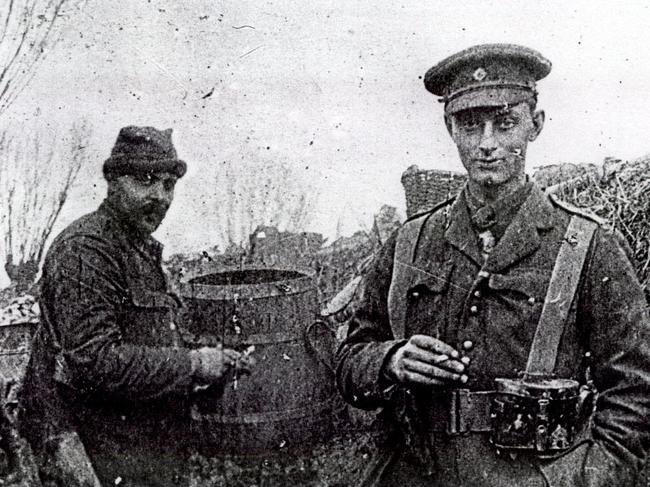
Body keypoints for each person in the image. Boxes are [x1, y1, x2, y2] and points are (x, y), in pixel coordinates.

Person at [336, 44, 650, 486]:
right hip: (416, 473)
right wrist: (391, 360)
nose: (488, 144)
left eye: (505, 124)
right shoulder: (409, 243)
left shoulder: (589, 247)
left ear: (534, 126)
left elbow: (635, 392)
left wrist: (588, 478)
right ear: (450, 129)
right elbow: (349, 357)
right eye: (469, 125)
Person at [21, 126, 252, 486]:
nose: (160, 196)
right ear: (112, 180)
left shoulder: (142, 253)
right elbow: (93, 361)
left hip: (145, 452)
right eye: (146, 180)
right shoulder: (86, 249)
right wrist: (193, 364)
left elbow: (151, 349)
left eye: (168, 185)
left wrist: (210, 369)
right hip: (96, 457)